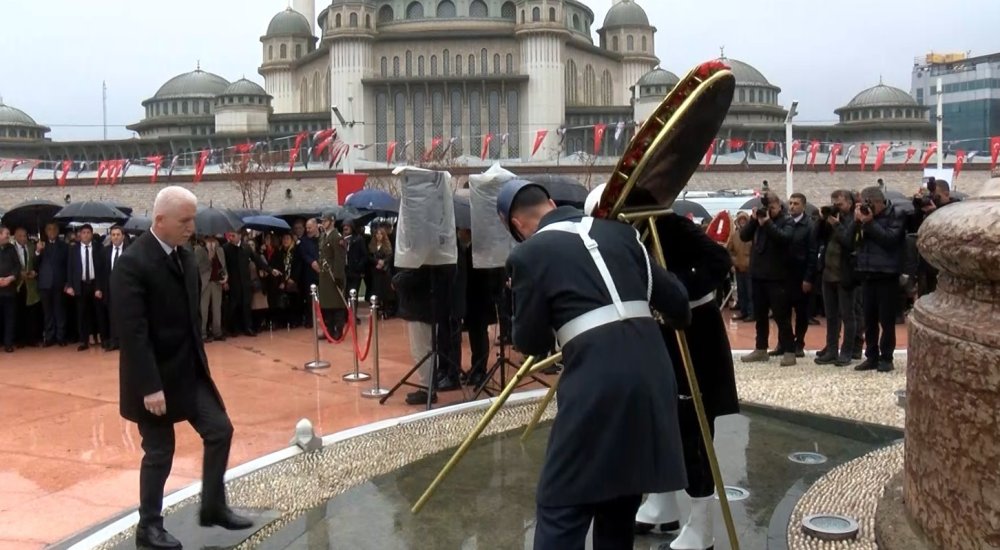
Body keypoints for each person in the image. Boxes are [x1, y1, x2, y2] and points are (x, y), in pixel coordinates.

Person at [499, 180, 691, 549]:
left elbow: (532, 343)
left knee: (560, 506)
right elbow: (679, 306)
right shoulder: (620, 234)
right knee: (618, 501)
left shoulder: (528, 255)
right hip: (654, 377)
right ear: (551, 203)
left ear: (518, 226)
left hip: (597, 383)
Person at [584, 186, 738, 550]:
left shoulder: (666, 225)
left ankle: (702, 526)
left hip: (692, 336)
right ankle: (662, 502)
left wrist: (675, 290)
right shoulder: (628, 235)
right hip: (658, 337)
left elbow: (718, 262)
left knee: (693, 430)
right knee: (657, 420)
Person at [113, 186, 252, 550]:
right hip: (154, 378)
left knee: (220, 430)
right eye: (184, 220)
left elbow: (192, 322)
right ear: (160, 221)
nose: (192, 226)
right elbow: (133, 331)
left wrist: (201, 368)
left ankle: (213, 507)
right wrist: (149, 386)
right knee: (160, 452)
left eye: (193, 219)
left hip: (188, 372)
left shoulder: (185, 256)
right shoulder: (132, 263)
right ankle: (149, 527)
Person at [739, 192, 797, 366]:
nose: (769, 211)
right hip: (758, 275)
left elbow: (784, 238)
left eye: (772, 207)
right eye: (767, 208)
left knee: (781, 315)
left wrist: (768, 223)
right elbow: (743, 236)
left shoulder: (787, 221)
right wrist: (753, 220)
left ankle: (789, 350)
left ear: (779, 205)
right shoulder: (758, 221)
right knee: (760, 315)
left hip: (777, 277)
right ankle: (761, 349)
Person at [0, 227, 21, 353]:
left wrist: (11, 277)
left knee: (10, 318)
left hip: (10, 289)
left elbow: (17, 265)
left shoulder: (11, 248)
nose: (9, 236)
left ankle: (8, 343)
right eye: (7, 234)